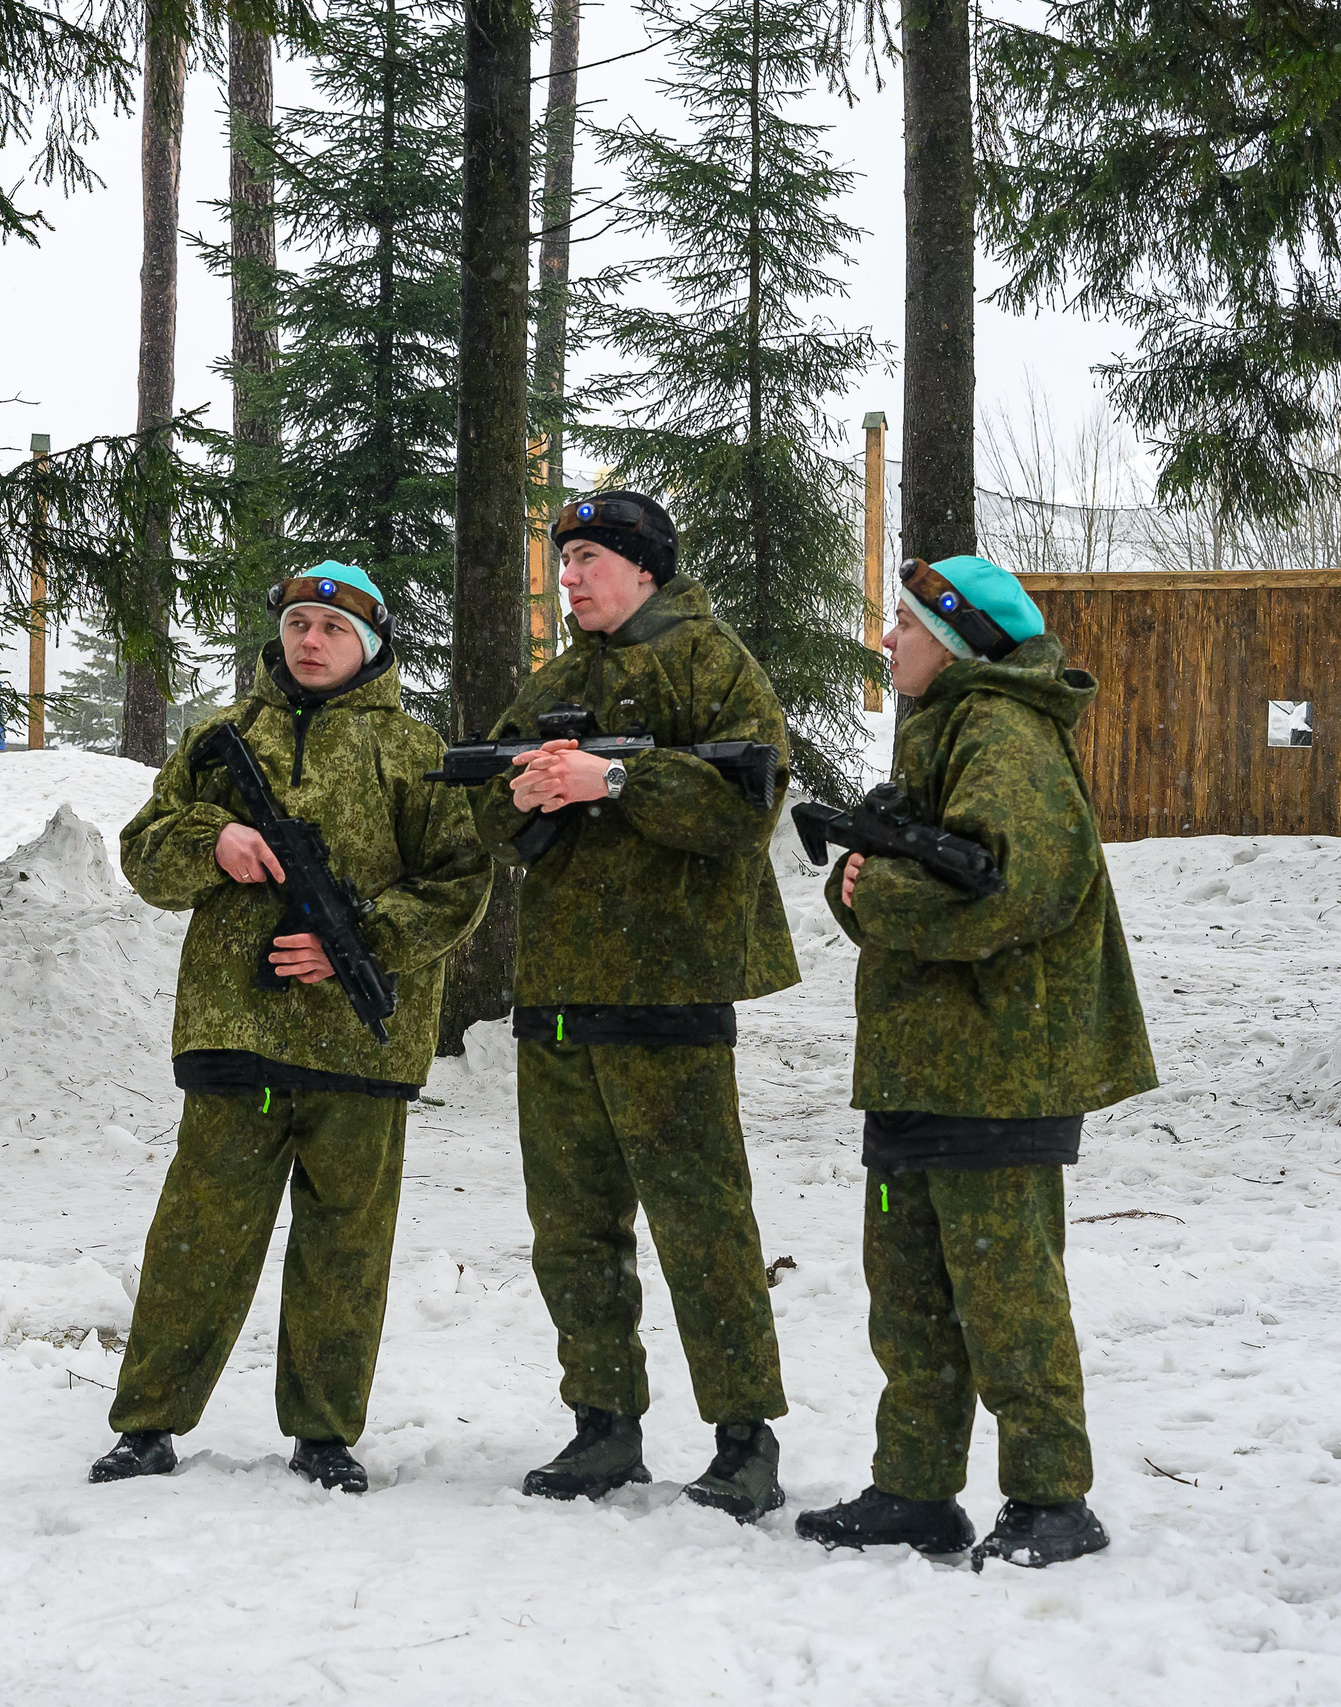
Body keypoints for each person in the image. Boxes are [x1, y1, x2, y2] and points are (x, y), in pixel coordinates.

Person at [91, 565, 490, 1495]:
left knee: (345, 1248)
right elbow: (144, 854)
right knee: (198, 1238)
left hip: (362, 1043)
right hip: (238, 1030)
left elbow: (457, 884)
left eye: (334, 629)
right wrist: (213, 843)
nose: (312, 640)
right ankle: (148, 1424)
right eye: (301, 623)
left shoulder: (413, 749)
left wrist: (362, 941)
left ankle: (324, 1432)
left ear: (372, 645)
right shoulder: (223, 739)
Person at [795, 553, 1155, 1571]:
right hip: (924, 1062)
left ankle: (1051, 1501)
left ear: (951, 643)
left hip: (999, 1063)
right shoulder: (943, 731)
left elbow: (1016, 892)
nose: (886, 640)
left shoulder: (1002, 735)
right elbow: (874, 879)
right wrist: (859, 885)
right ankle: (914, 1488)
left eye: (903, 625)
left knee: (1006, 1297)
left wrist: (874, 897)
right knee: (909, 1294)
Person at [471, 491, 800, 1517]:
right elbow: (486, 805)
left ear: (644, 568)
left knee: (702, 1225)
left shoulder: (710, 661)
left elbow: (748, 806)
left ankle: (745, 1439)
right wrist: (522, 798)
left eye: (587, 559)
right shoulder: (559, 678)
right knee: (570, 1232)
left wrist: (613, 783)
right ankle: (602, 1427)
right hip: (560, 996)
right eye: (563, 560)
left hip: (670, 989)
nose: (568, 577)